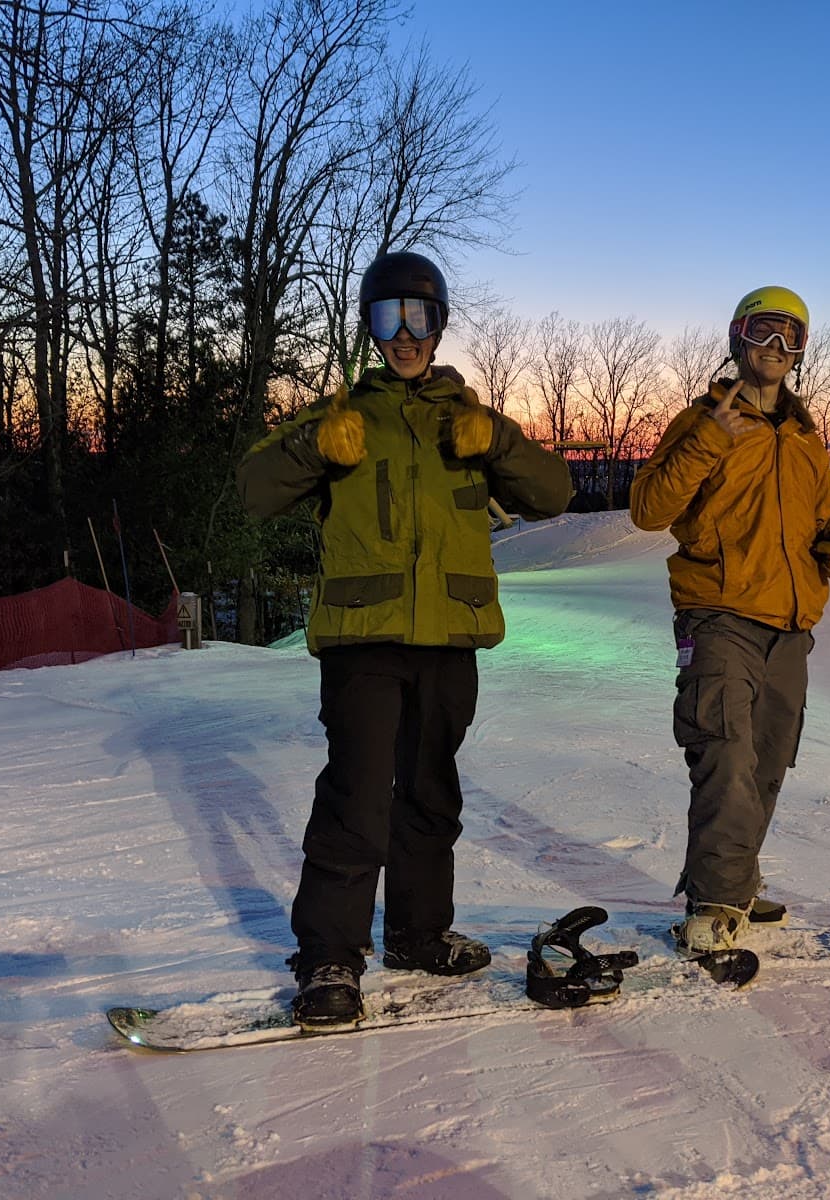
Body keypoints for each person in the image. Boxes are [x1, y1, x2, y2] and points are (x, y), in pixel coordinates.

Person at [236, 251, 574, 1026]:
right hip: (365, 639)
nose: (404, 334)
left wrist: (497, 443)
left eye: (419, 317)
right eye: (388, 317)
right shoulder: (343, 417)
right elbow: (252, 494)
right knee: (358, 794)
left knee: (430, 794)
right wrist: (313, 448)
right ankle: (329, 955)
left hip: (449, 637)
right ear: (370, 327)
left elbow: (553, 491)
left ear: (440, 323)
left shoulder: (472, 422)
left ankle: (418, 936)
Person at [629, 286, 830, 954]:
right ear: (738, 338)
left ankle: (737, 884)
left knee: (765, 762)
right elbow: (648, 508)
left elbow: (821, 522)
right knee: (724, 752)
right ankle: (715, 902)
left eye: (793, 337)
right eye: (765, 331)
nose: (778, 348)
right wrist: (707, 440)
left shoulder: (805, 437)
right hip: (719, 612)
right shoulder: (703, 418)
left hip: (790, 623)